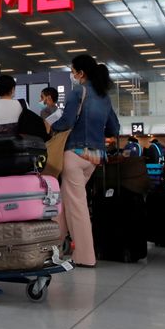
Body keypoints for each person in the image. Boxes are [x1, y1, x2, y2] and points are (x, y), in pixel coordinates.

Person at [50, 54, 120, 268]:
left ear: (81, 73)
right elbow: (114, 129)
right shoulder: (103, 97)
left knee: (77, 207)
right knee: (64, 203)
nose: (72, 75)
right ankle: (52, 246)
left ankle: (85, 256)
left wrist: (50, 126)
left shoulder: (78, 92)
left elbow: (67, 121)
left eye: (73, 71)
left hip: (74, 154)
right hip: (94, 158)